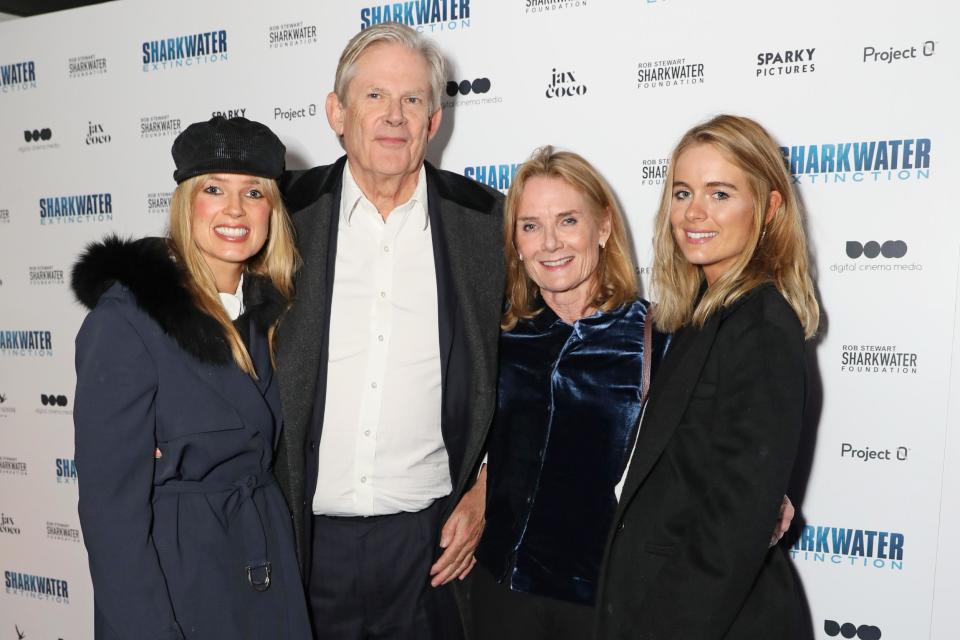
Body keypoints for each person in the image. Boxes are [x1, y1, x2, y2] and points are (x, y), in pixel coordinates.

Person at [469, 147, 794, 640]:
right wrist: (479, 486)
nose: (550, 243)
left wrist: (768, 494)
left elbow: (715, 451)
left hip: (603, 603)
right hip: (499, 594)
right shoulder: (499, 336)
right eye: (530, 226)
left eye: (568, 220)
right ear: (514, 242)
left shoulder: (664, 335)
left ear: (603, 227)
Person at [272, 22, 504, 640]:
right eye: (374, 96)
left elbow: (531, 366)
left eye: (412, 100)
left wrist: (488, 485)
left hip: (428, 549)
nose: (393, 116)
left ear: (434, 121)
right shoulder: (281, 215)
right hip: (301, 539)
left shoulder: (486, 224)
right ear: (336, 111)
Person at [72, 116, 311, 640]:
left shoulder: (272, 315)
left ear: (272, 209)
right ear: (186, 203)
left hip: (264, 565)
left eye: (253, 192)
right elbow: (111, 516)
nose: (234, 209)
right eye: (213, 189)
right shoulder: (126, 321)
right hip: (177, 580)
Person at [595, 114, 819, 639]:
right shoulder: (704, 314)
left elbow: (733, 528)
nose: (693, 213)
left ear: (768, 207)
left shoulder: (761, 325)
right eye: (682, 192)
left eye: (720, 194)